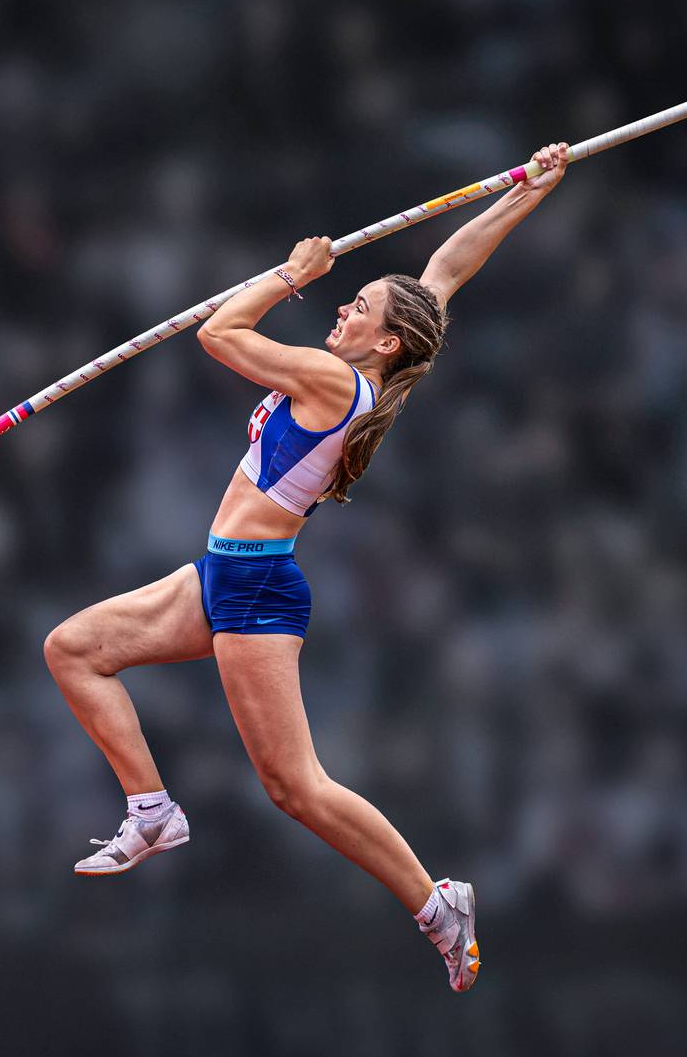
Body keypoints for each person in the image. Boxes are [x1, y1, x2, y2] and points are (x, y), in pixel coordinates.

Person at [44, 143, 570, 991]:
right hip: (217, 573)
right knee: (74, 649)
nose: (340, 310)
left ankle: (439, 904)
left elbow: (219, 333)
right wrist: (527, 192)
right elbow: (445, 270)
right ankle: (151, 812)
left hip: (253, 587)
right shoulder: (375, 365)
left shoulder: (332, 381)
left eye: (354, 306)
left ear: (383, 340)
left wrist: (293, 272)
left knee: (295, 788)